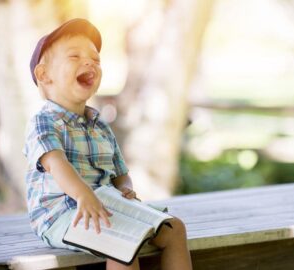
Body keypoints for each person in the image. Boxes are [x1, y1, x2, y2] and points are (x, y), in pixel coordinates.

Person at [23, 18, 192, 270]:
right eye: (74, 56)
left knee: (174, 228)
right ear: (44, 74)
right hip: (61, 215)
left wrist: (125, 189)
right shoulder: (44, 121)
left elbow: (120, 173)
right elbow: (56, 165)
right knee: (124, 240)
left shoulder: (99, 124)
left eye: (95, 58)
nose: (89, 61)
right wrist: (84, 195)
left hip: (107, 205)